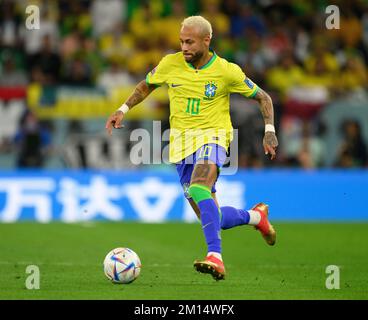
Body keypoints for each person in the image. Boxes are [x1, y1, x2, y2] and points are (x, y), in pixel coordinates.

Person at [105, 16, 278, 281]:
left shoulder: (226, 71)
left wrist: (269, 132)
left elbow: (263, 97)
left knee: (199, 187)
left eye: (189, 42)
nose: (184, 47)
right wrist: (123, 109)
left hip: (214, 138)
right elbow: (146, 86)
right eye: (181, 41)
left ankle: (215, 257)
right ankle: (257, 217)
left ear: (206, 41)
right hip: (181, 148)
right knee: (214, 218)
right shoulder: (170, 63)